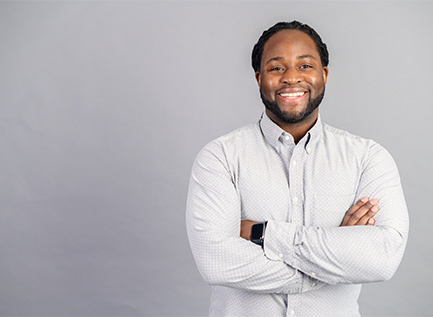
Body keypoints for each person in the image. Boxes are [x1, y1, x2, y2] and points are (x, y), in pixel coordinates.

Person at [186, 21, 409, 317]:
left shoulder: (367, 158)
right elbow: (216, 262)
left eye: (305, 66)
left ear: (324, 75)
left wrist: (263, 233)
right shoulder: (221, 157)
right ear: (258, 78)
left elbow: (382, 259)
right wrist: (335, 258)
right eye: (276, 68)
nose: (291, 78)